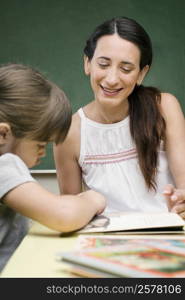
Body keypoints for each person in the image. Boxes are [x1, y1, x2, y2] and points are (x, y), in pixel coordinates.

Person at [54, 16, 185, 219]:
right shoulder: (69, 133)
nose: (112, 79)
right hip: (105, 244)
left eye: (126, 68)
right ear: (87, 63)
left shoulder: (164, 107)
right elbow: (71, 212)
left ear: (141, 73)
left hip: (168, 237)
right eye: (104, 64)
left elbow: (184, 184)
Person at [0, 63, 106, 272]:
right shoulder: (5, 165)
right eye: (40, 145)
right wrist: (93, 199)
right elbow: (64, 215)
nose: (43, 153)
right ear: (3, 134)